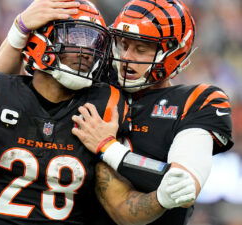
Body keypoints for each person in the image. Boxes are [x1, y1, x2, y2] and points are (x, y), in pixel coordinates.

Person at [0, 0, 198, 225]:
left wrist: (161, 198)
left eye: (95, 42)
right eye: (76, 37)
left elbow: (121, 208)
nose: (87, 51)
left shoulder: (103, 105)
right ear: (40, 40)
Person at [70, 0, 233, 224]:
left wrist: (108, 148)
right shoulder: (93, 83)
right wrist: (19, 33)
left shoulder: (197, 100)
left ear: (173, 53)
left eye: (141, 49)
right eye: (123, 44)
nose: (126, 57)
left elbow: (182, 186)